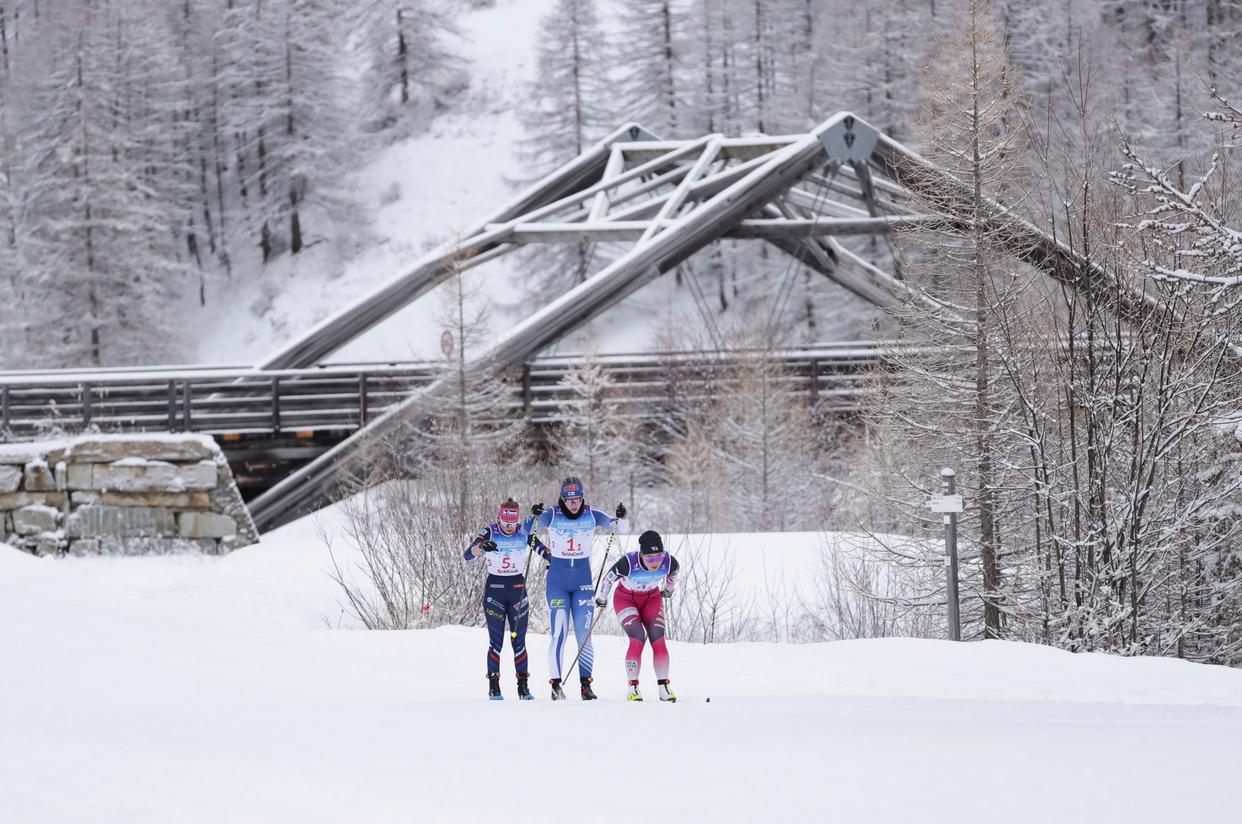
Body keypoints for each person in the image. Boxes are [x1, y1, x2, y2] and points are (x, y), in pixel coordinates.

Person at [531, 476, 628, 700]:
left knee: (584, 635)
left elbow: (620, 528)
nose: (573, 503)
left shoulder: (592, 515)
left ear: (582, 498)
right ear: (562, 499)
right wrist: (534, 515)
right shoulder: (552, 514)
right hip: (558, 583)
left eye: (577, 499)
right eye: (569, 499)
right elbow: (528, 529)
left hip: (583, 585)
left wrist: (622, 517)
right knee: (559, 634)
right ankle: (555, 685)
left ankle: (586, 686)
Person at [464, 498, 549, 701]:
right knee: (496, 642)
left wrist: (552, 559)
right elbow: (468, 554)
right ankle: (494, 686)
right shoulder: (490, 531)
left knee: (518, 641)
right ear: (499, 519)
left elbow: (544, 550)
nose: (509, 527)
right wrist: (482, 546)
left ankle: (523, 686)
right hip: (495, 590)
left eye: (513, 523)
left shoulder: (523, 533)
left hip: (518, 590)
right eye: (505, 523)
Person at [594, 529, 679, 702]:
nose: (655, 562)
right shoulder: (628, 562)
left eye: (658, 556)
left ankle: (664, 686)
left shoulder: (669, 562)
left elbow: (674, 573)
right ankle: (633, 687)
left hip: (652, 599)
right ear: (641, 555)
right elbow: (608, 579)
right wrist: (602, 599)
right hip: (626, 599)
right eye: (650, 558)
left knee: (658, 637)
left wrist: (669, 591)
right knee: (638, 637)